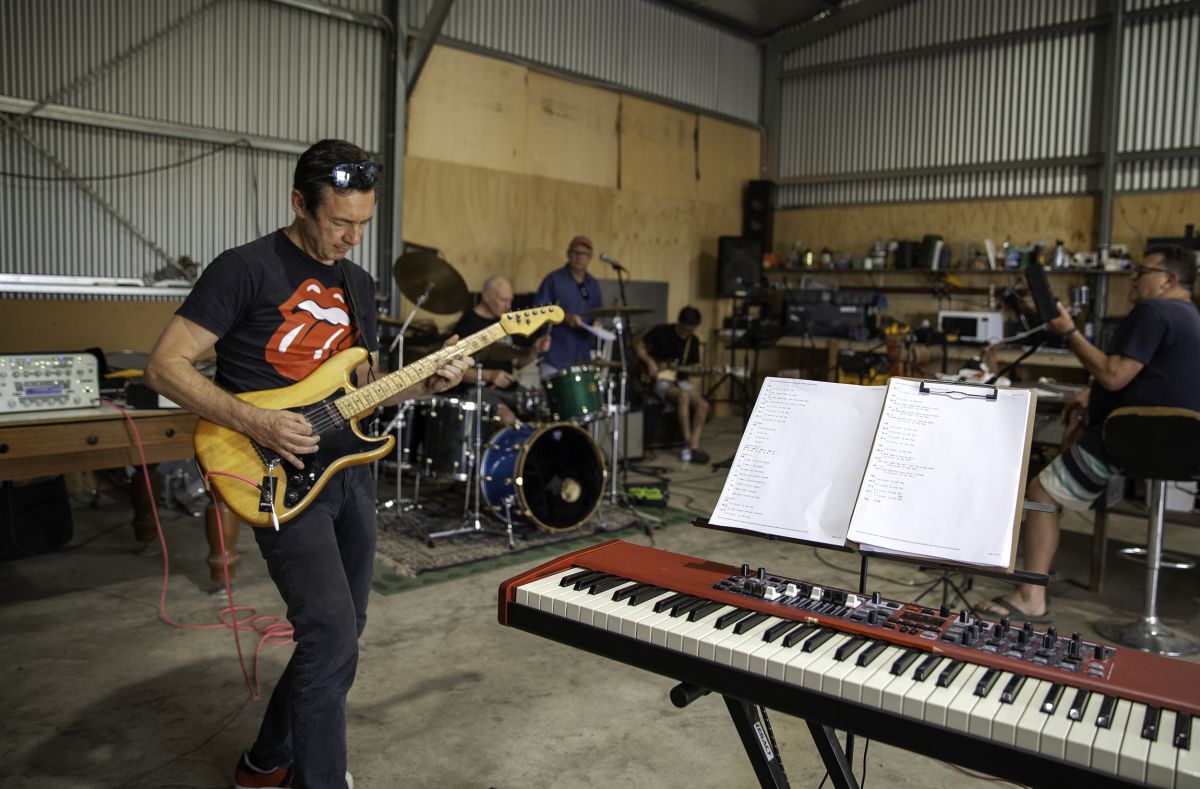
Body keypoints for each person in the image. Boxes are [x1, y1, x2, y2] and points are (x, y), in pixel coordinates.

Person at [144, 139, 470, 789]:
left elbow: (365, 388)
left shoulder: (357, 282)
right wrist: (255, 419)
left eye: (362, 224)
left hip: (347, 472)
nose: (352, 237)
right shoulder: (245, 268)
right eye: (339, 222)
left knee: (344, 629)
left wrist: (427, 382)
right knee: (328, 632)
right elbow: (165, 365)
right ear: (299, 203)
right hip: (273, 473)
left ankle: (265, 760)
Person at [978, 245, 1200, 624]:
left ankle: (1032, 597)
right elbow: (1152, 378)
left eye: (1141, 270)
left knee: (1041, 491)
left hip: (1141, 435)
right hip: (1182, 441)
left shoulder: (1153, 310)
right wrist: (1091, 395)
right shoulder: (1189, 315)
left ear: (1170, 279)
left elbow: (1115, 374)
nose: (1132, 277)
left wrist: (1068, 332)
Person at [450, 275, 551, 425]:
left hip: (509, 390)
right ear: (486, 296)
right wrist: (489, 376)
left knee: (547, 409)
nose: (508, 305)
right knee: (507, 418)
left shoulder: (506, 323)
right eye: (503, 300)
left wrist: (535, 350)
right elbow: (456, 370)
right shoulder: (467, 324)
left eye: (510, 300)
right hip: (478, 391)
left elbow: (518, 362)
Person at [635, 306, 711, 464]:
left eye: (690, 330)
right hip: (660, 380)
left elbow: (693, 369)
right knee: (683, 396)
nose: (686, 333)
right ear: (679, 323)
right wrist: (649, 362)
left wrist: (706, 371)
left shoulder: (693, 341)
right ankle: (687, 442)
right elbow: (639, 346)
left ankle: (694, 446)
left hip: (681, 380)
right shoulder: (662, 331)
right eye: (684, 329)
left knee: (703, 405)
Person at [535, 235, 603, 377]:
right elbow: (538, 313)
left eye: (583, 254)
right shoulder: (554, 280)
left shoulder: (593, 284)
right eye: (575, 253)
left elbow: (599, 312)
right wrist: (565, 318)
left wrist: (598, 323)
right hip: (556, 355)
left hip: (583, 356)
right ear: (568, 254)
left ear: (590, 257)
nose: (579, 257)